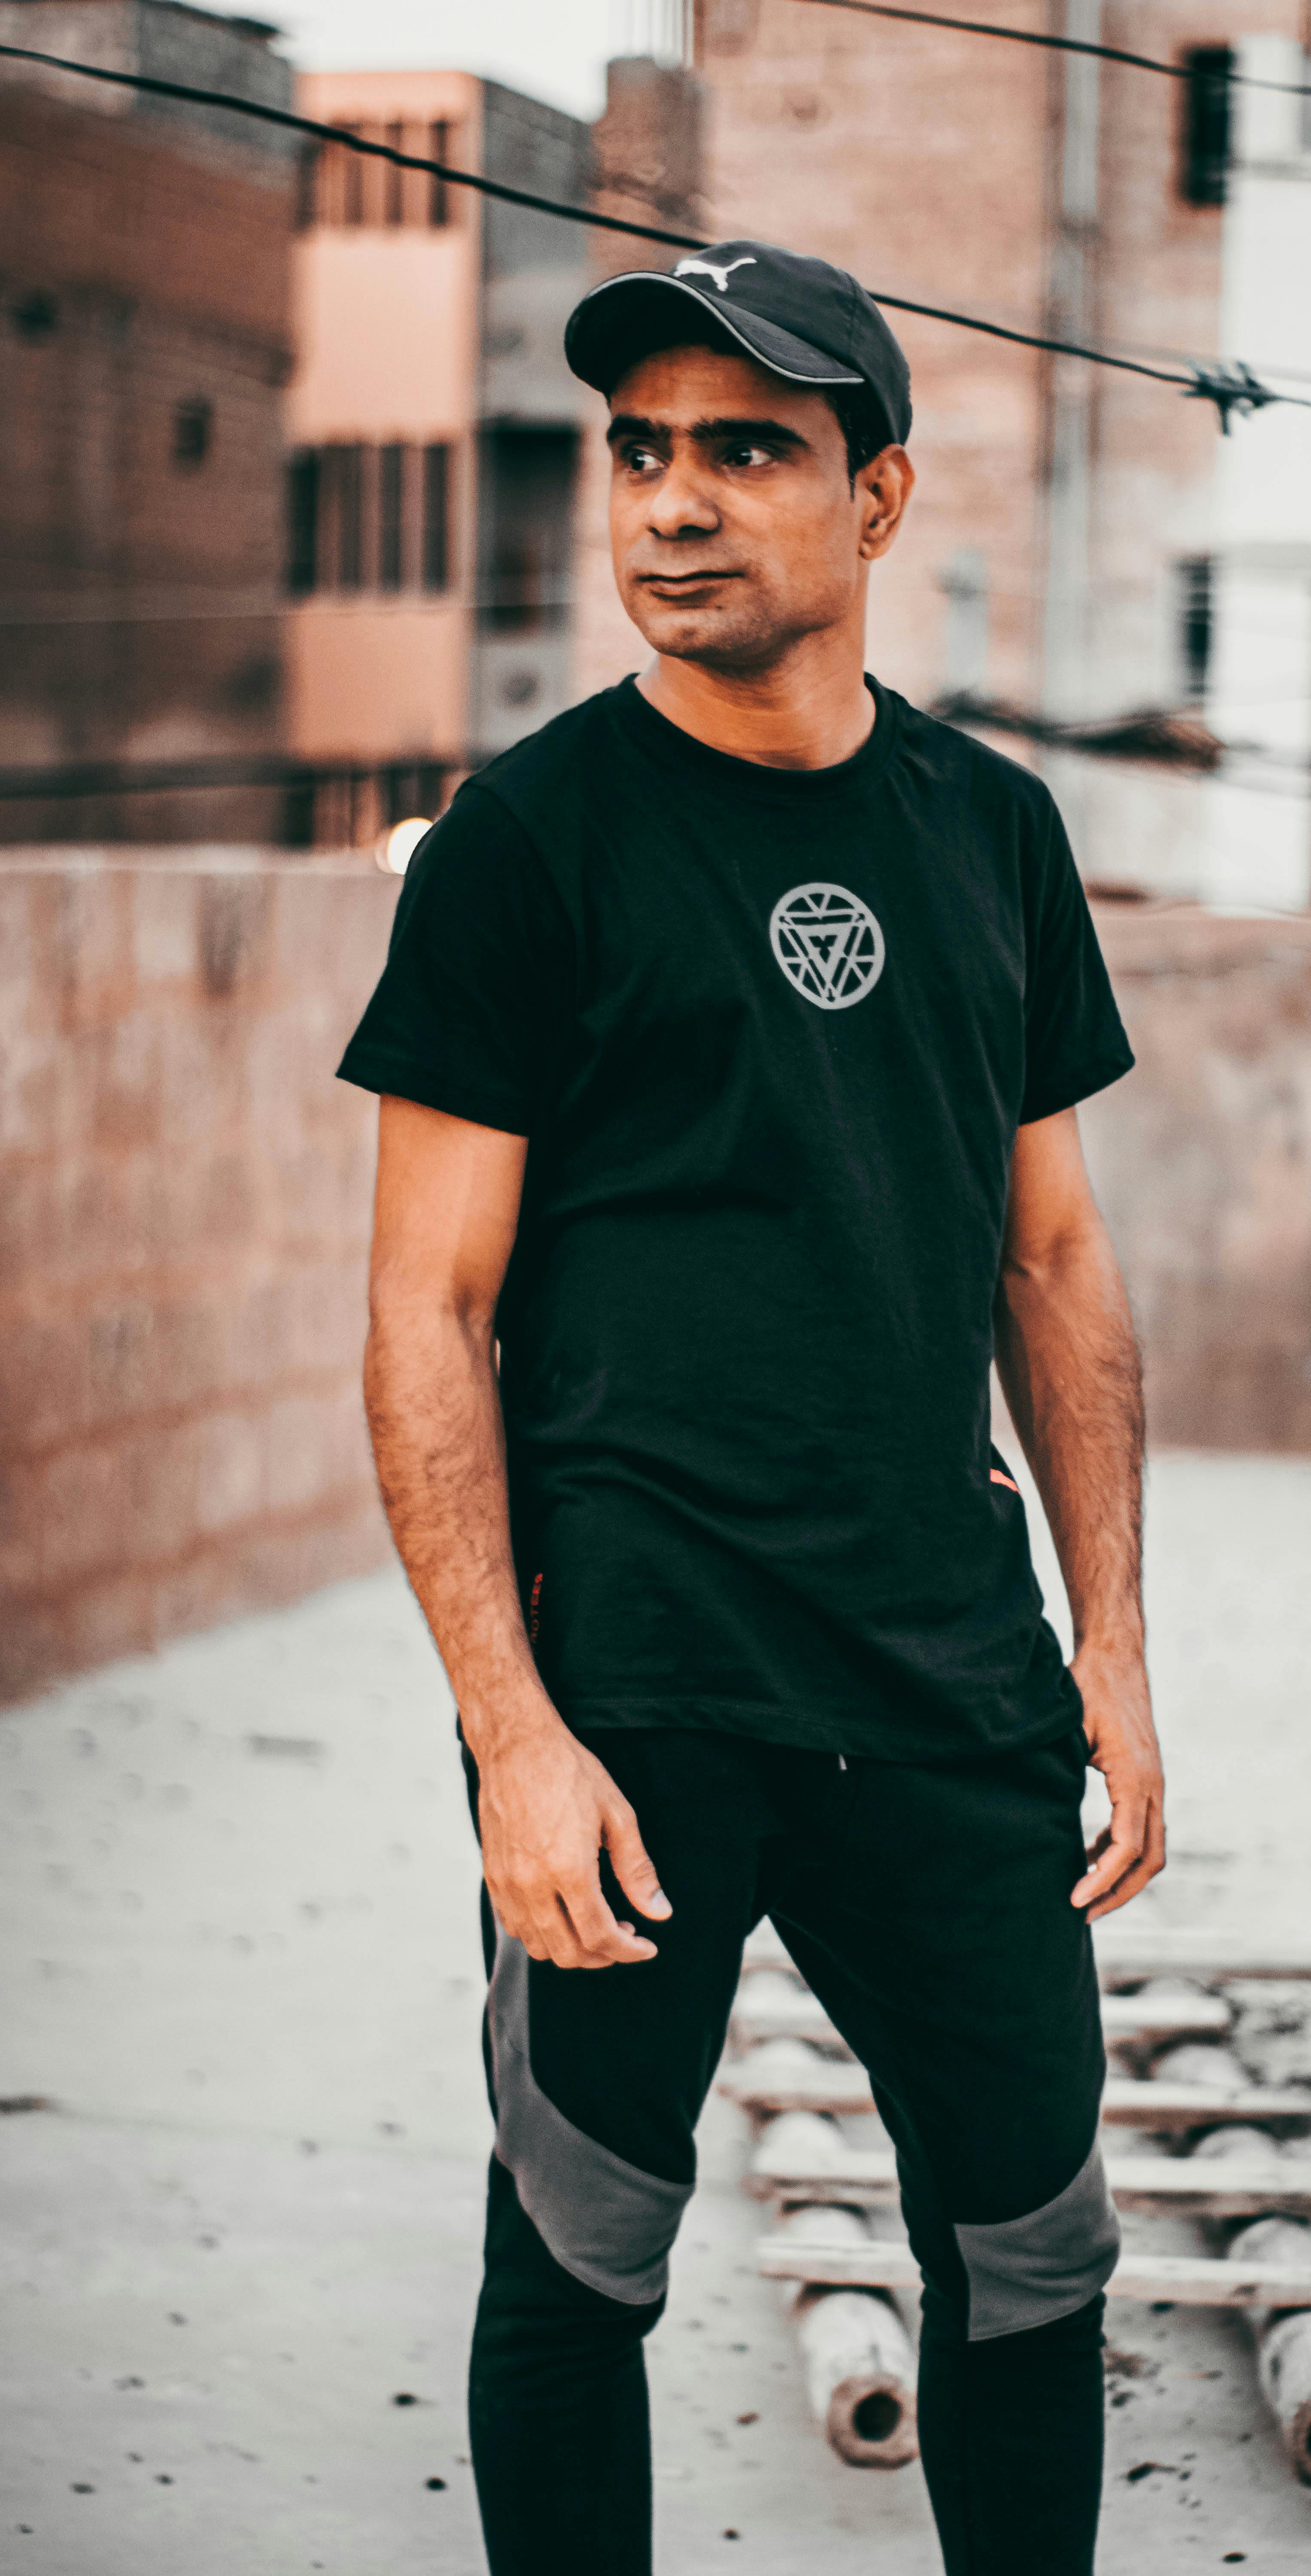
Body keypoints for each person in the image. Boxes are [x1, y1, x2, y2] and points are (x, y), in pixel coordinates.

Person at [338, 238, 1165, 2576]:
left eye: (747, 449)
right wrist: (513, 1728)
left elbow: (1060, 1265)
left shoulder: (992, 831)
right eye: (643, 453)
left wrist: (1112, 1647)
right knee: (582, 2257)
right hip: (641, 1684)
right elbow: (425, 1313)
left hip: (941, 1674)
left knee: (1038, 2258)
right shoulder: (532, 842)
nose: (675, 503)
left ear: (877, 499)